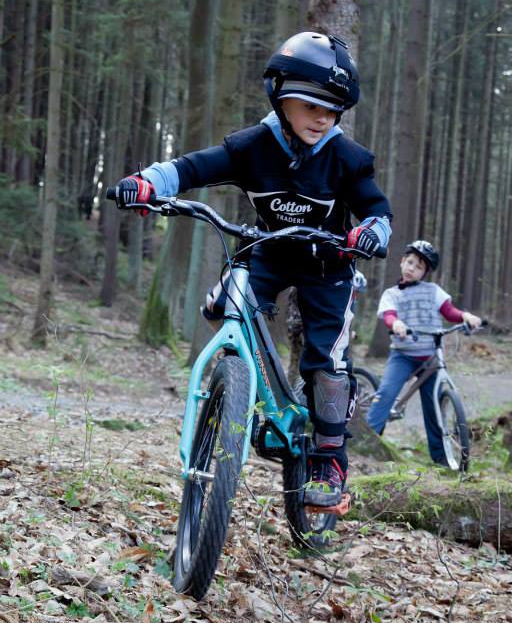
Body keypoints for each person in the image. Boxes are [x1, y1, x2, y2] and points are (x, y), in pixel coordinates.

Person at [113, 31, 392, 510]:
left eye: (333, 111)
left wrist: (371, 231)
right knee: (222, 305)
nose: (323, 118)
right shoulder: (253, 147)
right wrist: (147, 183)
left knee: (326, 363)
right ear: (280, 97)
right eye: (312, 106)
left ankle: (329, 460)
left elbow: (376, 209)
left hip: (328, 265)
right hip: (268, 251)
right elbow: (191, 168)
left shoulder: (347, 159)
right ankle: (247, 388)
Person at [366, 240, 481, 463]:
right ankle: (368, 443)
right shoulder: (392, 294)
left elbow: (449, 312)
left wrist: (465, 316)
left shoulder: (433, 291)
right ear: (402, 262)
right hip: (403, 355)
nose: (412, 269)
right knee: (386, 393)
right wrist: (396, 323)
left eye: (418, 267)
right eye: (410, 262)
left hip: (430, 357)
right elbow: (389, 315)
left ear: (424, 273)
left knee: (434, 406)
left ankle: (441, 459)